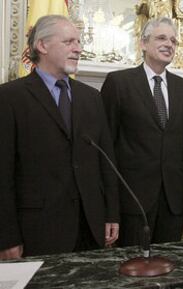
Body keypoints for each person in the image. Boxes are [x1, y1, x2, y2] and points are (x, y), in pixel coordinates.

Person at [0, 15, 119, 259]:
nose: (78, 48)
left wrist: (111, 214)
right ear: (42, 46)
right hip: (37, 231)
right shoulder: (10, 97)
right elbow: (2, 175)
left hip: (90, 228)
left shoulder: (91, 98)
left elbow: (106, 163)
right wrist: (7, 237)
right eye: (68, 42)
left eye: (79, 41)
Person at [101, 17, 183, 246]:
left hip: (172, 201)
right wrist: (110, 207)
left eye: (173, 40)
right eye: (161, 38)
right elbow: (106, 147)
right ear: (143, 43)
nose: (169, 44)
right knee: (132, 271)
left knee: (168, 267)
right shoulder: (119, 83)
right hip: (132, 199)